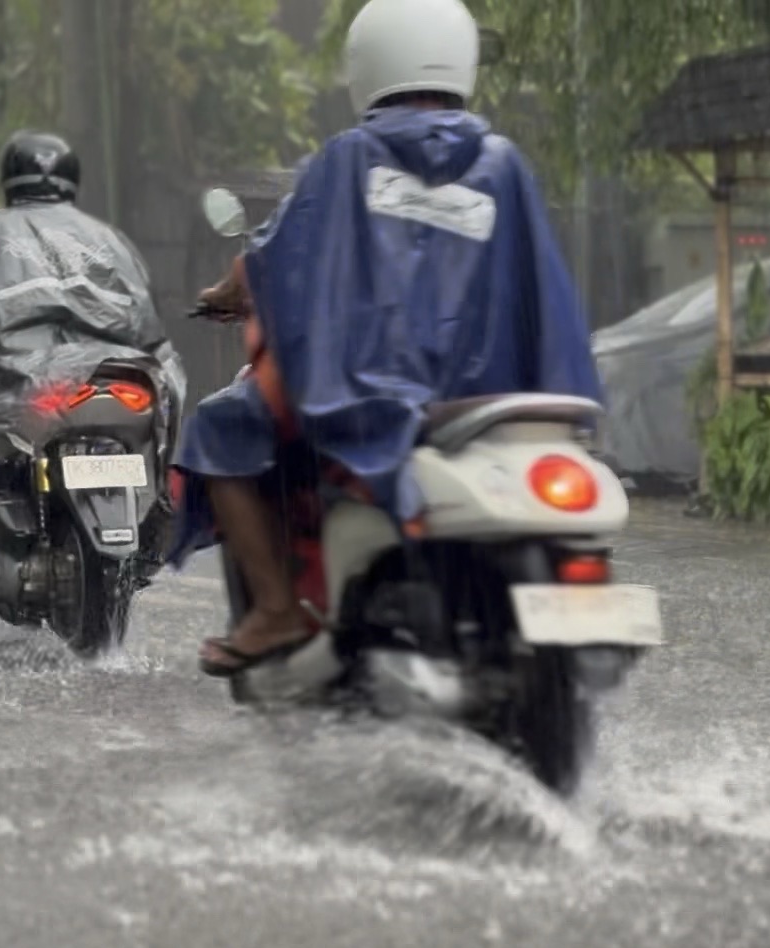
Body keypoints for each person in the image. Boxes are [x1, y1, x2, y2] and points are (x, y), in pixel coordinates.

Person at [168, 0, 602, 678]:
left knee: (216, 430)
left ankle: (278, 608)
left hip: (366, 395)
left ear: (366, 64)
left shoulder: (350, 157)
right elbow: (540, 286)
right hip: (489, 403)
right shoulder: (504, 162)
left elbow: (278, 256)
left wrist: (231, 291)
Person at [0, 130, 180, 567]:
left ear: (11, 178)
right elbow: (147, 316)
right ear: (71, 179)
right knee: (165, 399)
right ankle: (158, 505)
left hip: (18, 378)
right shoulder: (110, 240)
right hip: (114, 374)